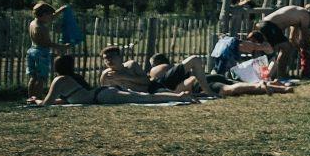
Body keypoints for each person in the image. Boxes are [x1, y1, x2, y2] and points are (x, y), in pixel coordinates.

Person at [28, 53, 195, 106]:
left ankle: (179, 97)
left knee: (144, 98)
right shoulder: (71, 79)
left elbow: (47, 103)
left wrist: (37, 100)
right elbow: (64, 101)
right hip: (103, 93)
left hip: (103, 95)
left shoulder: (59, 81)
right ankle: (178, 96)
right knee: (143, 97)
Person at [253, 3, 310, 79]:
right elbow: (304, 34)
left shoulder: (297, 15)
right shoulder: (306, 14)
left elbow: (292, 38)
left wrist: (299, 49)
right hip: (270, 26)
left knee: (282, 49)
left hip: (265, 25)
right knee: (282, 49)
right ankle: (279, 74)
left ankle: (275, 74)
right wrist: (307, 48)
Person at [25, 2, 58, 99]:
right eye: (49, 15)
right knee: (41, 78)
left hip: (31, 50)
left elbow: (52, 17)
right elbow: (48, 43)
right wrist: (62, 46)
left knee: (33, 77)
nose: (50, 18)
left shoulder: (33, 23)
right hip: (41, 53)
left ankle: (30, 98)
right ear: (44, 14)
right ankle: (38, 98)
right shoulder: (42, 28)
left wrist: (61, 10)